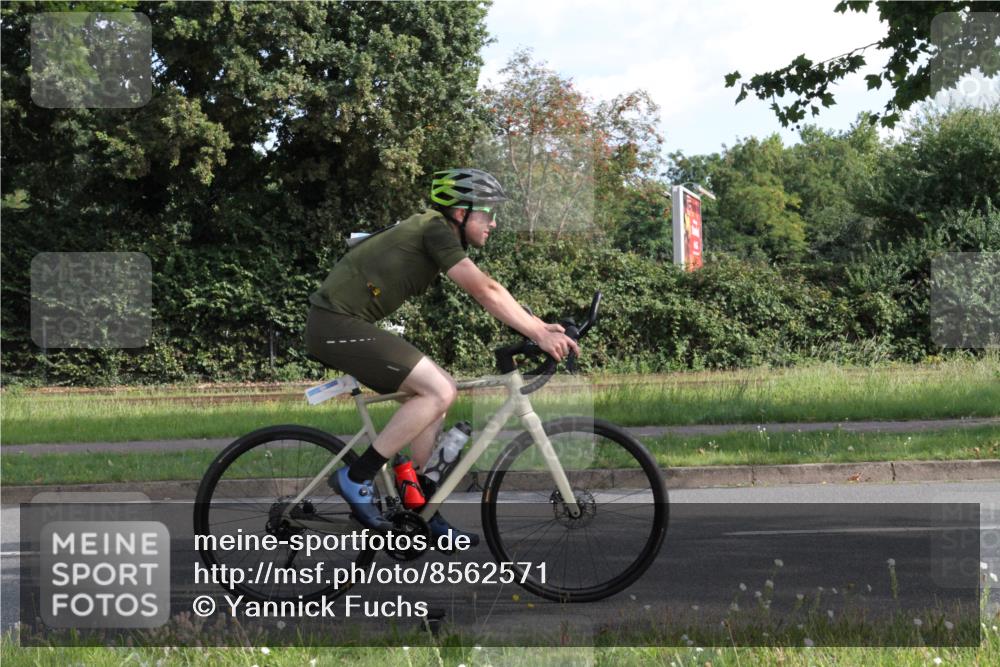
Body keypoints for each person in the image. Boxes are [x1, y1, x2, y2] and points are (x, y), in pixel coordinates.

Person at [305, 168, 579, 545]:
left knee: (437, 397)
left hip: (341, 324)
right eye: (487, 213)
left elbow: (490, 291)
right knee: (438, 390)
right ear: (460, 213)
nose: (493, 223)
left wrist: (540, 327)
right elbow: (485, 289)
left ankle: (419, 509)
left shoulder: (435, 232)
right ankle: (356, 477)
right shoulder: (434, 228)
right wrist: (535, 331)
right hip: (334, 324)